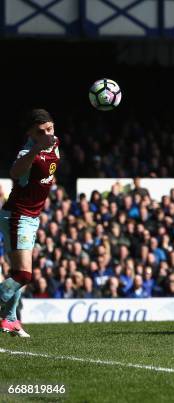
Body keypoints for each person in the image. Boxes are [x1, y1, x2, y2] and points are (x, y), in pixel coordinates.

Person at [0, 109, 59, 337]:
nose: (47, 134)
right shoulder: (28, 151)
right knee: (24, 275)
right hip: (18, 215)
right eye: (41, 132)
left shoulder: (55, 143)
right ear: (31, 133)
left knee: (18, 273)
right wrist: (36, 149)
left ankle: (11, 319)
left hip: (32, 216)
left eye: (50, 129)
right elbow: (15, 171)